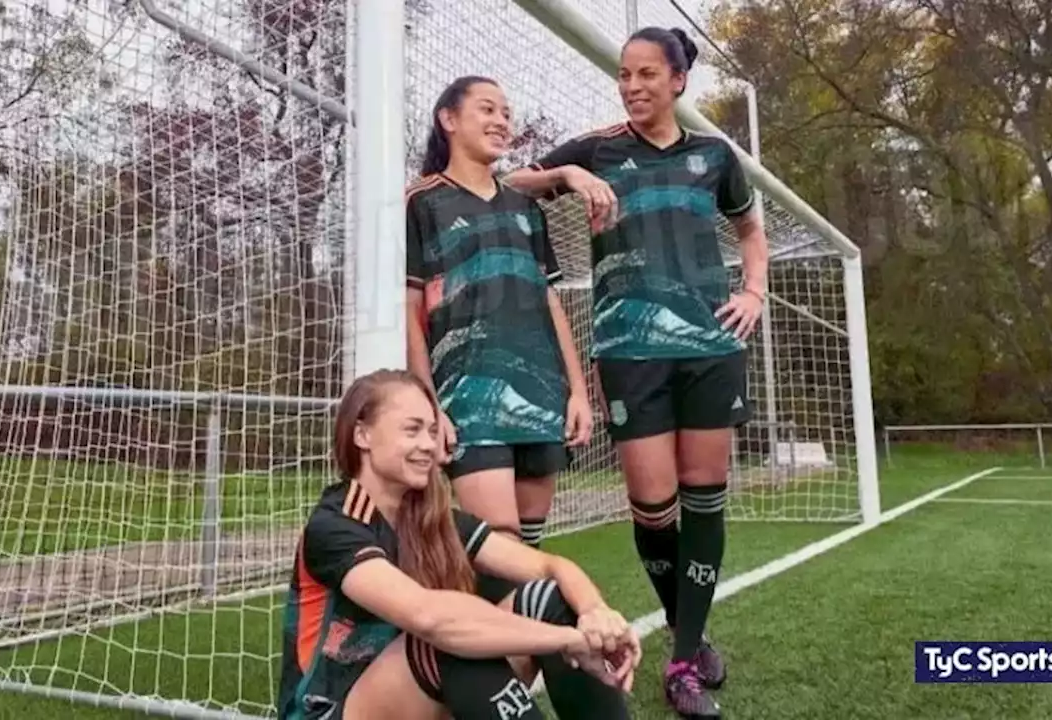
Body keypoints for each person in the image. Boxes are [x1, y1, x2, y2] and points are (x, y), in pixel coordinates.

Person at [502, 26, 769, 720]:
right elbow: (508, 184)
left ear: (678, 81)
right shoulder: (598, 149)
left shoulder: (715, 155)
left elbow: (749, 230)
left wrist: (753, 291)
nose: (632, 86)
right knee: (653, 507)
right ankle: (690, 631)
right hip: (628, 349)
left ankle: (682, 660)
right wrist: (565, 174)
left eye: (647, 74)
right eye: (625, 74)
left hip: (710, 346)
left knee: (704, 494)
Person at [276, 369, 639, 720]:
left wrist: (595, 614)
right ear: (362, 435)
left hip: (415, 699)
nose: (428, 445)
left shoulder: (433, 520)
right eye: (412, 430)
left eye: (433, 431)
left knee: (546, 598)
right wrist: (566, 639)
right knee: (446, 638)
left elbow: (551, 567)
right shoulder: (335, 524)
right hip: (331, 711)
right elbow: (429, 618)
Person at [404, 76, 592, 599]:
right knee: (496, 547)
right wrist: (427, 405)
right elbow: (409, 310)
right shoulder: (420, 202)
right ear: (448, 119)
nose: (501, 121)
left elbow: (550, 300)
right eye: (487, 109)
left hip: (540, 395)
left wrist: (576, 391)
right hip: (469, 399)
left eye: (507, 112)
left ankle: (514, 668)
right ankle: (486, 672)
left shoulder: (525, 208)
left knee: (528, 546)